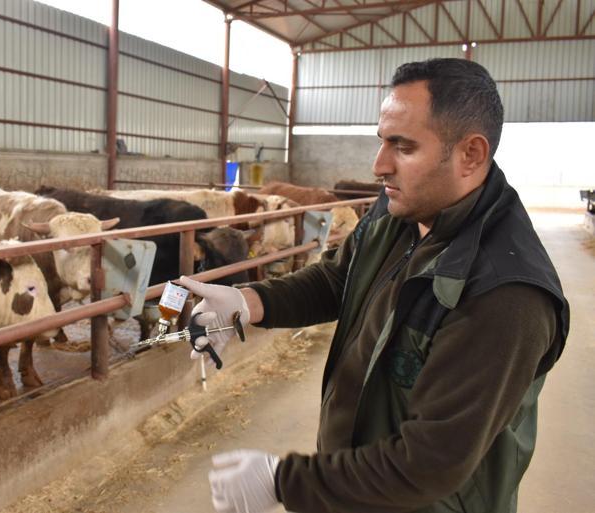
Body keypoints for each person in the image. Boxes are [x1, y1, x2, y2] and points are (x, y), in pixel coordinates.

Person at [178, 58, 570, 513]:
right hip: (355, 484)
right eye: (382, 140)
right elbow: (339, 277)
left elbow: (430, 463)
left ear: (471, 154)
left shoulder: (506, 294)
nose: (379, 165)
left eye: (403, 147)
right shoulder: (402, 210)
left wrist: (284, 483)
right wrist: (249, 302)